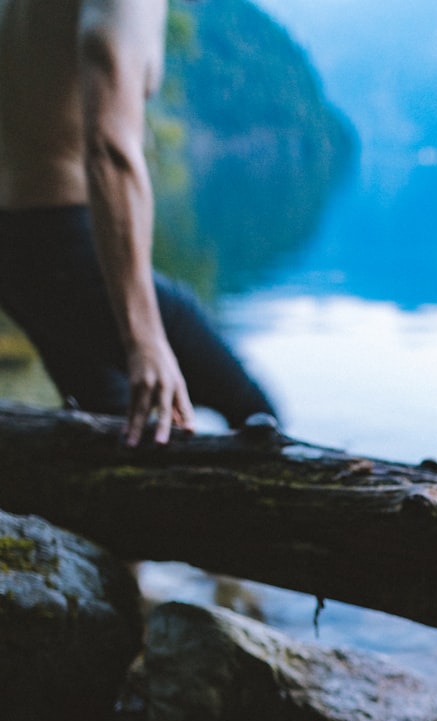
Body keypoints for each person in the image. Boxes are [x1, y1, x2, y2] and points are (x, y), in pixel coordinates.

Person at [0, 0, 276, 446]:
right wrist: (144, 339)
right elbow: (110, 148)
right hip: (61, 241)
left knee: (118, 438)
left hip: (16, 242)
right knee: (258, 420)